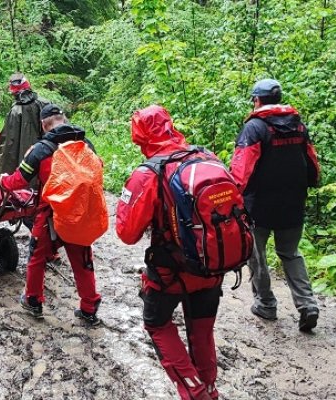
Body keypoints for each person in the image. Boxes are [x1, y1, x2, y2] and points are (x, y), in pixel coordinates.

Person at [116, 105, 222, 400]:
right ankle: (210, 391)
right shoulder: (207, 158)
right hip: (212, 265)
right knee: (201, 331)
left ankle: (195, 393)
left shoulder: (148, 172)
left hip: (170, 272)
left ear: (139, 136)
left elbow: (126, 234)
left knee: (157, 324)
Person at [230, 78, 321, 332]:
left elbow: (241, 170)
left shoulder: (255, 128)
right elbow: (312, 163)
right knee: (290, 253)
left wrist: (233, 198)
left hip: (259, 204)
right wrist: (310, 185)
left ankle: (266, 304)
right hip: (293, 202)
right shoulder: (298, 126)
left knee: (256, 254)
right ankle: (307, 304)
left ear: (256, 100)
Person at [0, 104, 102, 325]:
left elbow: (19, 180)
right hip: (78, 212)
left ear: (44, 125)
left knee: (36, 256)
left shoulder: (41, 149)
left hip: (51, 213)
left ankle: (33, 300)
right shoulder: (85, 144)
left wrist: (3, 181)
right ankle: (89, 307)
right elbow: (97, 170)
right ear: (64, 119)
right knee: (83, 259)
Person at [0, 73, 49, 178]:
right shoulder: (46, 104)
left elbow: (7, 144)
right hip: (46, 156)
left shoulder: (15, 111)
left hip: (25, 166)